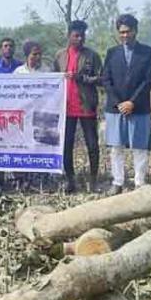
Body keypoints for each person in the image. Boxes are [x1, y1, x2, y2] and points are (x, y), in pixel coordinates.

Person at [102, 14, 151, 194]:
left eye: (128, 32)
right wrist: (119, 103)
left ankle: (139, 182)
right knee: (116, 147)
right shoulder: (112, 53)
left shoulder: (147, 52)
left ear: (135, 31)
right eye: (121, 32)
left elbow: (148, 81)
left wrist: (132, 102)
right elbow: (106, 79)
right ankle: (118, 182)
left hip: (138, 107)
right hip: (115, 108)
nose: (125, 35)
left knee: (139, 146)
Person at [54, 20, 102, 193]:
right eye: (76, 35)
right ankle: (70, 180)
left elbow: (101, 78)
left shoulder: (92, 56)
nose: (80, 38)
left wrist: (82, 78)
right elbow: (54, 80)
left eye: (82, 35)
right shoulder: (60, 55)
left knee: (92, 145)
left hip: (86, 106)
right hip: (66, 108)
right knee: (66, 145)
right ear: (69, 36)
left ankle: (93, 180)